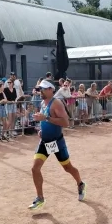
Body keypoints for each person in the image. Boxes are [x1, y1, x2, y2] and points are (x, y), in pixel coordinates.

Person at [29, 80, 86, 210]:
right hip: (45, 141)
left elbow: (66, 122)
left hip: (57, 142)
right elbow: (45, 120)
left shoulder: (57, 103)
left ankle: (80, 184)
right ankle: (40, 197)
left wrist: (46, 119)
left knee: (68, 168)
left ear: (50, 89)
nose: (40, 92)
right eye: (39, 89)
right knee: (35, 168)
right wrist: (42, 130)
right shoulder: (43, 103)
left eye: (42, 89)